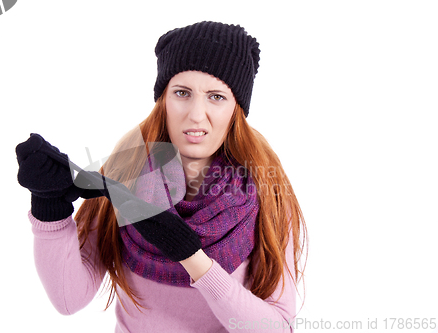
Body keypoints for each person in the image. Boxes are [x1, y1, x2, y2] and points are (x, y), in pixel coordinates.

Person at [16, 21, 307, 332]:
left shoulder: (265, 189)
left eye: (216, 96)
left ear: (236, 108)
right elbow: (67, 299)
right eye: (182, 93)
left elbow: (277, 327)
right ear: (164, 100)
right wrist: (49, 206)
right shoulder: (124, 173)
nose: (196, 114)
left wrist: (192, 258)